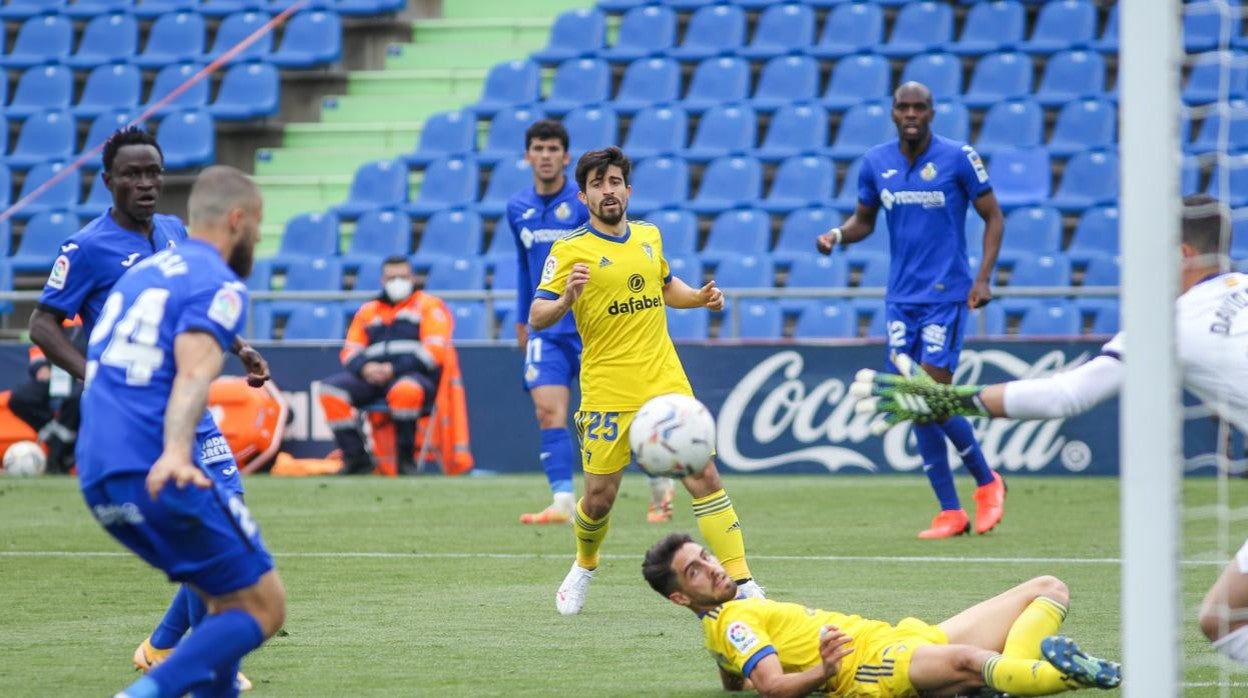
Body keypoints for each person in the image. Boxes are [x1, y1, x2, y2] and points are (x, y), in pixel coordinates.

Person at [851, 193, 1248, 667]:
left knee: (1224, 618)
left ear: (1184, 254)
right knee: (1223, 618)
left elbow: (1066, 396)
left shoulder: (1169, 323)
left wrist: (949, 400)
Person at [27, 127, 270, 689]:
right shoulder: (86, 248)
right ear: (108, 181)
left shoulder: (173, 230)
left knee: (227, 509)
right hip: (137, 414)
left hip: (188, 399)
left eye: (153, 173)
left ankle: (164, 648)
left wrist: (239, 348)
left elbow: (195, 300)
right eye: (132, 174)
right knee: (213, 532)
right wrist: (94, 376)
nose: (145, 184)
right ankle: (194, 658)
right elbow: (42, 323)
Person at [77, 165, 285, 698]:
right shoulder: (217, 280)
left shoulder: (144, 273)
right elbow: (194, 372)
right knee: (262, 605)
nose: (256, 242)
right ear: (237, 221)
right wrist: (175, 452)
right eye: (257, 229)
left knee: (221, 598)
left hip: (98, 470)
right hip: (152, 465)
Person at [530, 146, 763, 615]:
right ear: (584, 196)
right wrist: (567, 298)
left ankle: (744, 584)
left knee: (705, 475)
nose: (608, 191)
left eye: (614, 182)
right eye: (597, 184)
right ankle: (583, 565)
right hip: (607, 390)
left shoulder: (650, 237)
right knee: (599, 499)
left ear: (627, 189)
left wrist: (698, 298)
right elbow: (537, 315)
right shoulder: (569, 250)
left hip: (665, 383)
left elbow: (663, 286)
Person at [815, 81, 1008, 540]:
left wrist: (982, 279)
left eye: (920, 106)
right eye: (904, 107)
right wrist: (837, 236)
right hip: (901, 299)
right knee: (911, 398)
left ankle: (986, 480)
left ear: (932, 112)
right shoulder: (875, 162)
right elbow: (863, 220)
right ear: (893, 112)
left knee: (930, 392)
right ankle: (950, 510)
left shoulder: (958, 157)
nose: (911, 114)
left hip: (946, 295)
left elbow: (994, 217)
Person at [643, 532, 1121, 697]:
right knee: (972, 661)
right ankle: (1072, 677)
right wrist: (824, 671)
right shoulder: (734, 622)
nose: (711, 567)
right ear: (681, 598)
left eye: (705, 557)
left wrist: (733, 670)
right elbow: (770, 687)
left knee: (1046, 589)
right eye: (695, 571)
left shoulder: (726, 622)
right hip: (869, 667)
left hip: (897, 637)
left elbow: (739, 674)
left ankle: (1021, 678)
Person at [508, 119, 675, 525]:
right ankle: (563, 501)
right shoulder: (518, 208)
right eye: (538, 149)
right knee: (548, 412)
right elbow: (524, 267)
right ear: (528, 156)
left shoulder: (587, 198)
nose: (545, 157)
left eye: (552, 150)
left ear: (564, 158)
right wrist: (522, 319)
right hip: (549, 326)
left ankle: (659, 487)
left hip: (597, 328)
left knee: (631, 412)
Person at [317, 255, 451, 476]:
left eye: (402, 276)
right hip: (371, 378)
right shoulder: (369, 310)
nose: (397, 282)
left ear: (413, 278)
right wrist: (366, 369)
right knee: (330, 390)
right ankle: (357, 458)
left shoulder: (429, 306)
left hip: (414, 376)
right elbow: (350, 350)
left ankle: (405, 462)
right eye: (391, 277)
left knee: (405, 390)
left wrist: (393, 369)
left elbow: (434, 351)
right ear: (382, 280)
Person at [9, 317, 83, 474]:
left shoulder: (99, 309)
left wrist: (88, 369)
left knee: (76, 398)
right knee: (20, 399)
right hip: (55, 373)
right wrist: (40, 367)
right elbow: (40, 341)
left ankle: (58, 456)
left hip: (83, 373)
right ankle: (55, 438)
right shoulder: (57, 309)